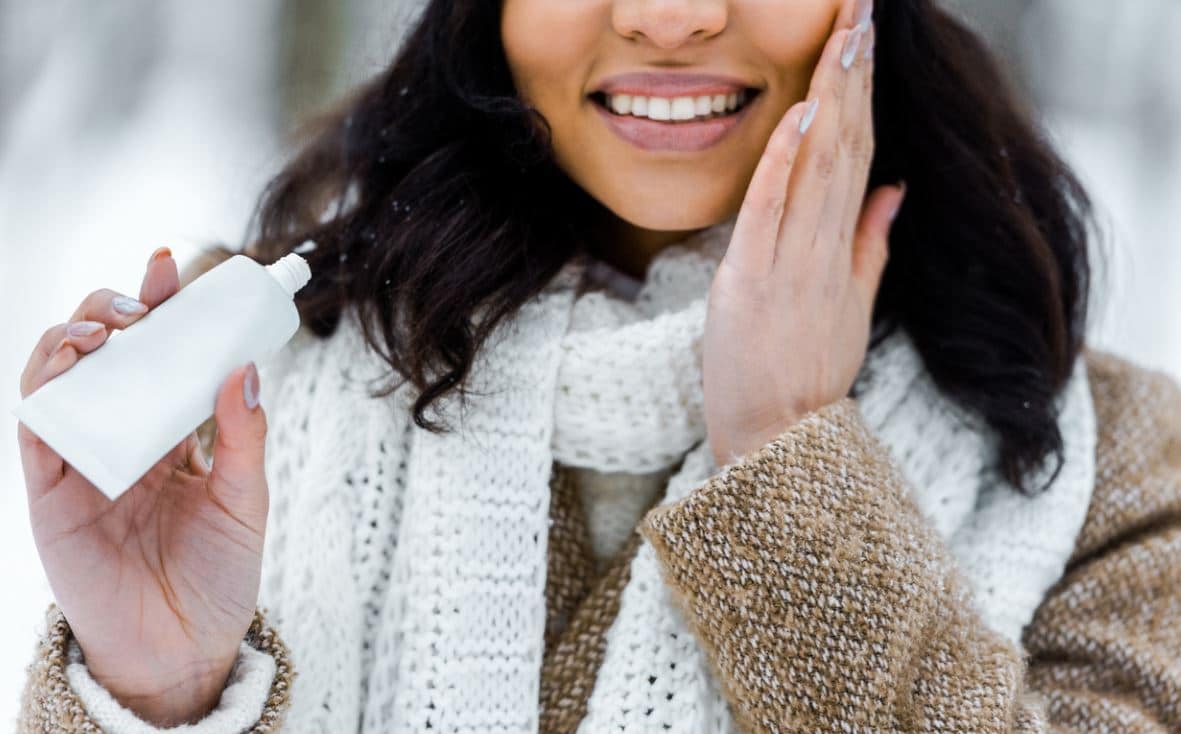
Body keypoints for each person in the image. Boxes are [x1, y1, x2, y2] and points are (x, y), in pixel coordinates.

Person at [16, 0, 1181, 731]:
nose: (668, 17)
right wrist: (159, 693)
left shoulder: (1117, 469)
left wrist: (787, 453)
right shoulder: (247, 378)